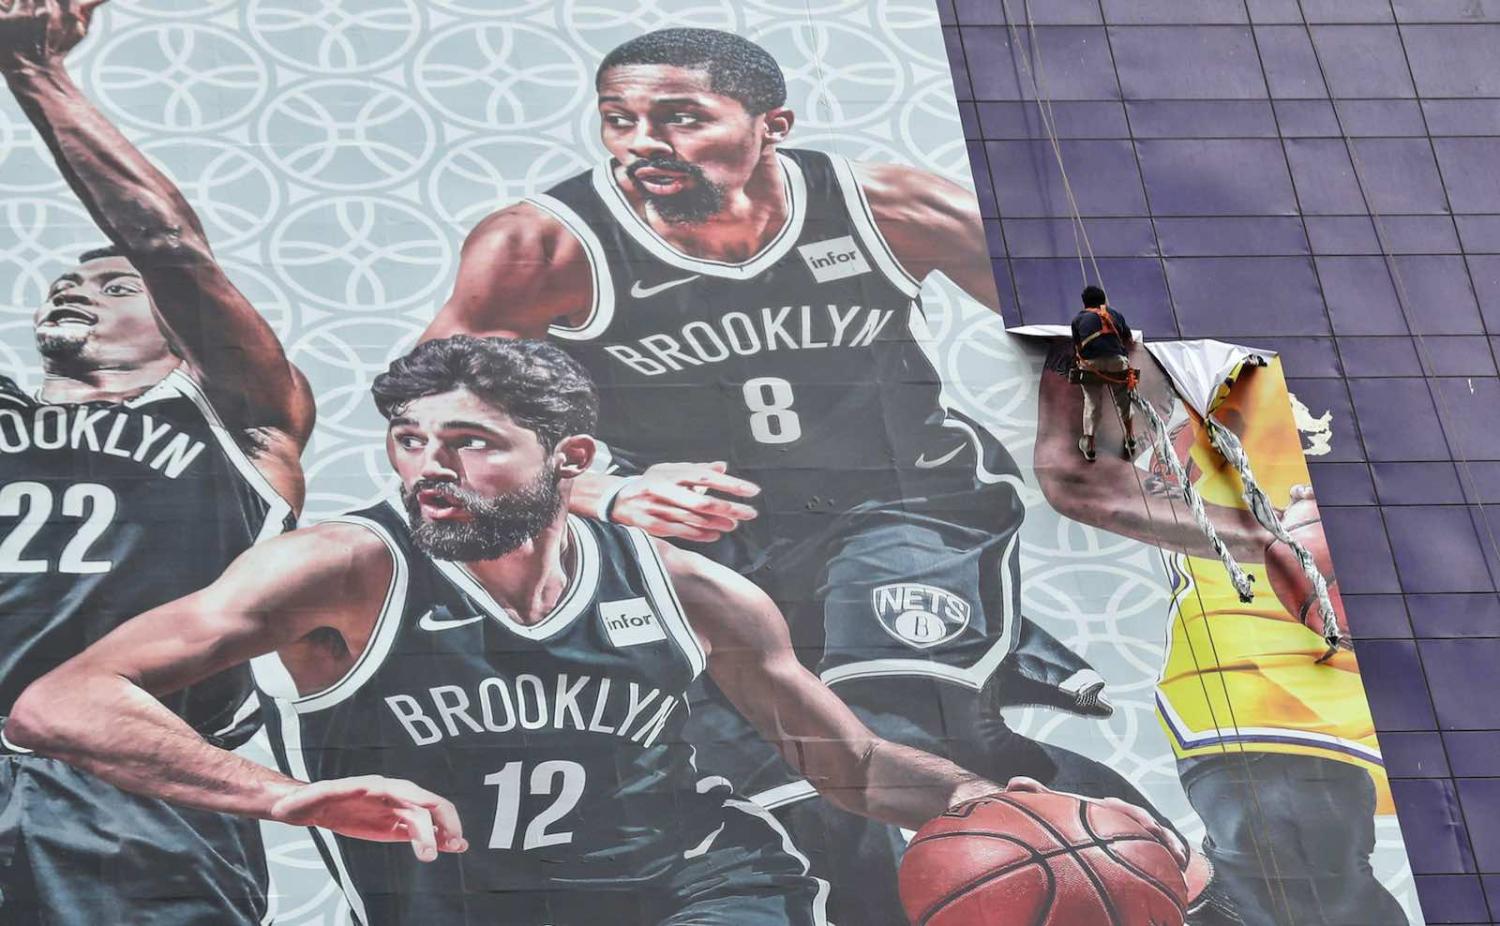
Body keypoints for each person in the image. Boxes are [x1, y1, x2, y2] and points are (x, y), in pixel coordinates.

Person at [420, 28, 1202, 922]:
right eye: (619, 120)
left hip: (906, 504)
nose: (642, 142)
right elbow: (435, 419)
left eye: (679, 118)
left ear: (770, 125)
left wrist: (1077, 444)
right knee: (812, 795)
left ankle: (1157, 875)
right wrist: (603, 493)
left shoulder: (885, 207)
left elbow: (1089, 323)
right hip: (704, 545)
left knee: (898, 720)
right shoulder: (543, 247)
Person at [4, 337, 1186, 925]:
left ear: (570, 462)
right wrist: (277, 794)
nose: (430, 469)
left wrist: (1001, 809)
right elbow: (58, 701)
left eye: (468, 443)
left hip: (693, 886)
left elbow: (857, 765)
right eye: (412, 442)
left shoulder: (688, 589)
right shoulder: (343, 567)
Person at [0, 1, 315, 922]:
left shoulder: (242, 420)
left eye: (115, 284)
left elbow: (169, 246)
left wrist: (35, 72)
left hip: (136, 785)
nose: (78, 285)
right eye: (70, 280)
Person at [1036, 343, 1407, 926]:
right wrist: (1273, 540)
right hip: (1268, 666)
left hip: (1443, 646)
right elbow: (1081, 477)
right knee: (1301, 881)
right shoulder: (1184, 347)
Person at [1070, 285, 1136, 462]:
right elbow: (1128, 338)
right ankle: (1130, 437)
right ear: (1103, 300)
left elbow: (1077, 348)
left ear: (1084, 303)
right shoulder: (1115, 314)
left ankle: (1090, 446)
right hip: (1117, 362)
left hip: (1091, 365)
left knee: (1092, 403)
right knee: (1124, 400)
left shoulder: (1078, 319)